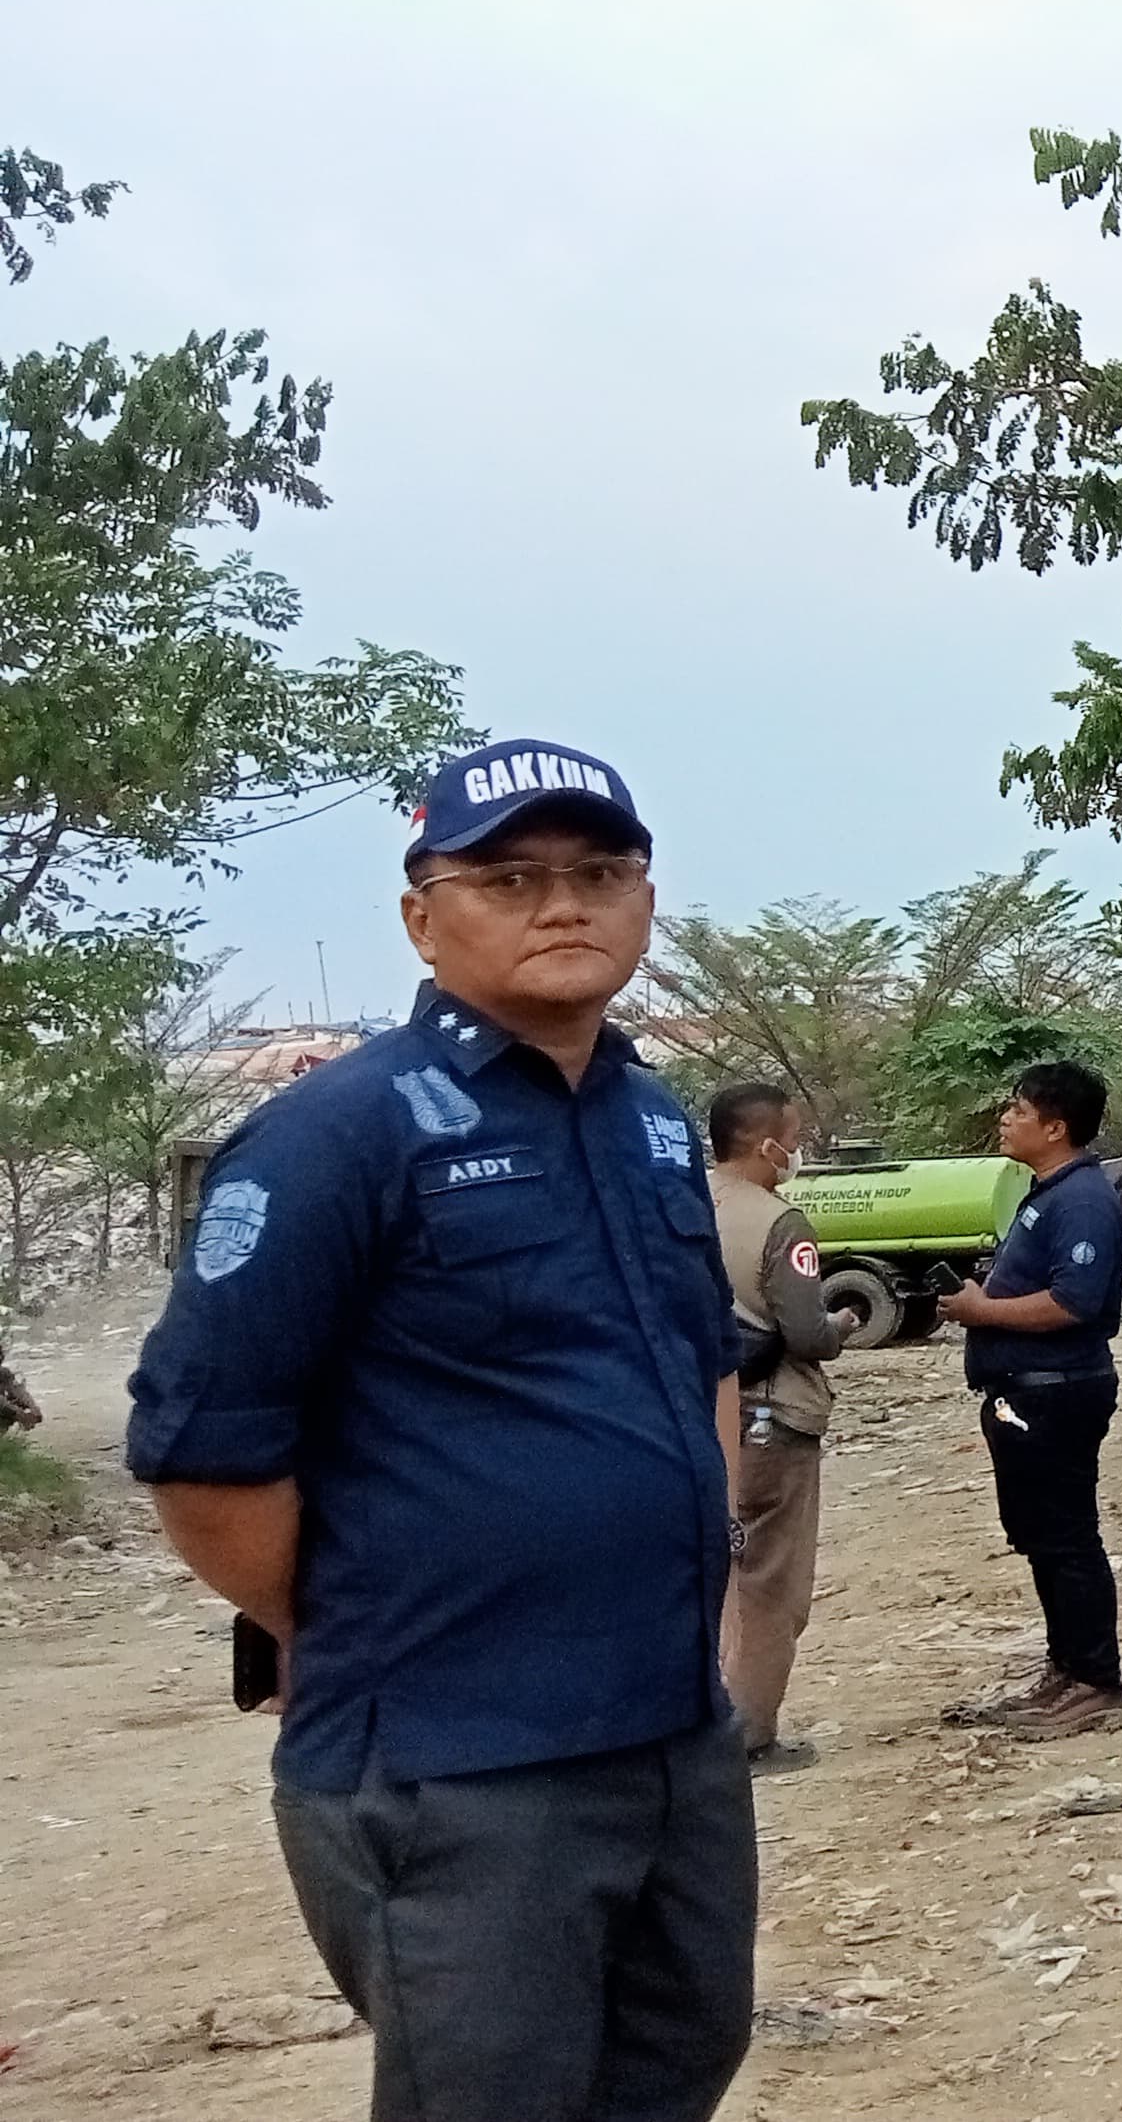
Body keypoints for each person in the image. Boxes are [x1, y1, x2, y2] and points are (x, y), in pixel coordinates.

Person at [124, 737, 756, 2122]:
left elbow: (702, 1358)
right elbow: (206, 1448)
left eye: (601, 872)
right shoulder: (338, 1135)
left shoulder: (648, 1121)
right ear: (422, 915)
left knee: (675, 2063)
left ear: (646, 898)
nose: (564, 905)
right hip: (457, 1757)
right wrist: (353, 1612)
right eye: (511, 877)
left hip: (667, 1730)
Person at [937, 1061, 1122, 1738]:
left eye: (1018, 1110)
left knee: (1068, 1538)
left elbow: (1074, 1303)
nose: (1004, 1119)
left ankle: (1096, 1683)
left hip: (1056, 1393)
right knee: (1043, 1538)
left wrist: (981, 1311)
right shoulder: (1042, 1193)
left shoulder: (1081, 1200)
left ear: (1055, 1126)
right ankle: (1065, 1668)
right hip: (1022, 1393)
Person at [709, 1079, 851, 1775]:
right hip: (771, 1413)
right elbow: (806, 1332)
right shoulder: (779, 1222)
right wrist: (842, 1325)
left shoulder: (680, 1203)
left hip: (695, 1417)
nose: (796, 1151)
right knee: (770, 1581)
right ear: (767, 1142)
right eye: (793, 1139)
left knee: (713, 1575)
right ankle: (751, 1735)